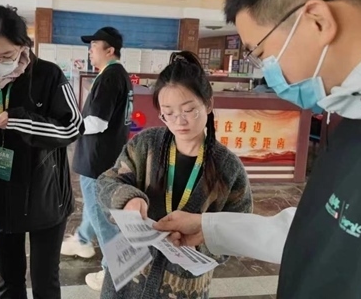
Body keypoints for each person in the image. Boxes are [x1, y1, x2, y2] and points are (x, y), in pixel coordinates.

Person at [154, 0, 361, 298]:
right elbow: (324, 229)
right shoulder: (356, 116)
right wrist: (208, 227)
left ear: (317, 21)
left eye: (261, 53)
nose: (268, 72)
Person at [0, 5, 83, 299]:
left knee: (45, 282)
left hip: (46, 196)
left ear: (23, 46)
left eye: (5, 56)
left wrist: (17, 120)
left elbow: (72, 128)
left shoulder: (48, 75)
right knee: (9, 281)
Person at [97, 51, 252, 298]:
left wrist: (202, 239)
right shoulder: (146, 145)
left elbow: (239, 230)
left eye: (189, 110)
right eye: (168, 113)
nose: (179, 121)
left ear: (208, 104)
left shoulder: (228, 168)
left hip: (183, 286)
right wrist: (128, 199)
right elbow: (108, 181)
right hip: (128, 274)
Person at [60, 27, 133, 291]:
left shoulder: (110, 77)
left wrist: (67, 127)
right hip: (105, 157)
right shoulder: (119, 75)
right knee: (96, 208)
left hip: (97, 161)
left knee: (101, 215)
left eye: (94, 47)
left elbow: (97, 122)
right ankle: (82, 240)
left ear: (109, 50)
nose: (90, 51)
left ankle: (114, 271)